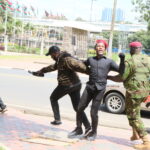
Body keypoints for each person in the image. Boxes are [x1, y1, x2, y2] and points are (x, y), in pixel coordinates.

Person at [29, 46, 91, 134]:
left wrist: (92, 73)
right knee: (77, 108)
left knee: (53, 98)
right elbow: (52, 67)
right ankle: (88, 127)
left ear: (55, 53)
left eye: (51, 55)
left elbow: (79, 65)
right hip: (75, 85)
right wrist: (41, 71)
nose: (51, 57)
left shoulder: (66, 59)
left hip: (67, 86)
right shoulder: (60, 59)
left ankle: (57, 119)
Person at [69, 40, 119, 140]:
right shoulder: (90, 60)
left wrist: (111, 77)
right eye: (98, 46)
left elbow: (121, 71)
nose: (100, 48)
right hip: (89, 87)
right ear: (95, 48)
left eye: (102, 47)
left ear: (105, 49)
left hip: (100, 89)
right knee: (79, 108)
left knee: (93, 112)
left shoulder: (109, 62)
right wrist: (74, 60)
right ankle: (79, 128)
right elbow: (82, 65)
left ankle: (93, 132)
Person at [108, 41, 150, 149]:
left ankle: (146, 142)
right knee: (136, 112)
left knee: (133, 116)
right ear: (141, 49)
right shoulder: (147, 59)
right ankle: (135, 135)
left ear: (131, 49)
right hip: (144, 91)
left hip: (134, 93)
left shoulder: (129, 61)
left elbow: (121, 77)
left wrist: (109, 77)